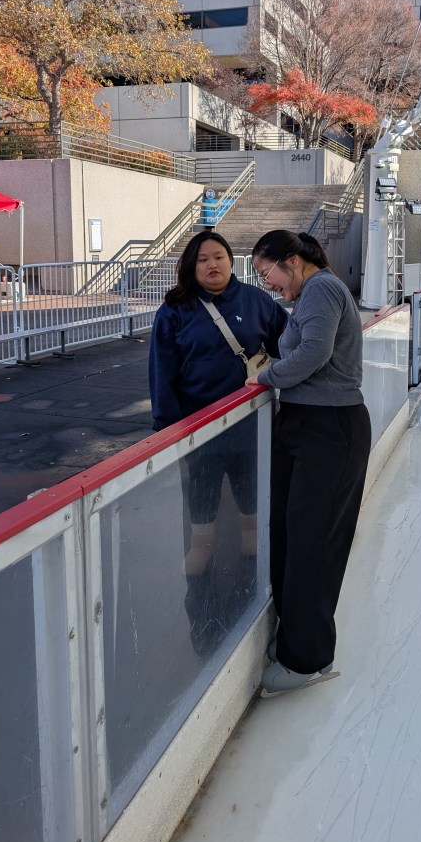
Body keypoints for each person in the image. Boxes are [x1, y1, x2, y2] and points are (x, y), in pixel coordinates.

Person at [247, 230, 371, 696]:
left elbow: (314, 354)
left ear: (292, 261)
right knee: (293, 536)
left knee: (312, 546)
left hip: (330, 429)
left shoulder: (322, 289)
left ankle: (308, 660)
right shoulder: (311, 294)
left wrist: (265, 377)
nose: (269, 284)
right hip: (309, 425)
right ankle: (295, 638)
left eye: (268, 273)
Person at [149, 229, 288, 576]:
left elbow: (289, 346)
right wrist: (167, 428)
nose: (212, 265)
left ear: (231, 261)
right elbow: (161, 371)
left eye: (218, 257)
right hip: (200, 426)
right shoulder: (174, 310)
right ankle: (201, 548)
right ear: (191, 268)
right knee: (201, 492)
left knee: (252, 489)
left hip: (252, 422)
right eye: (202, 259)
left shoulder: (257, 301)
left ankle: (251, 546)